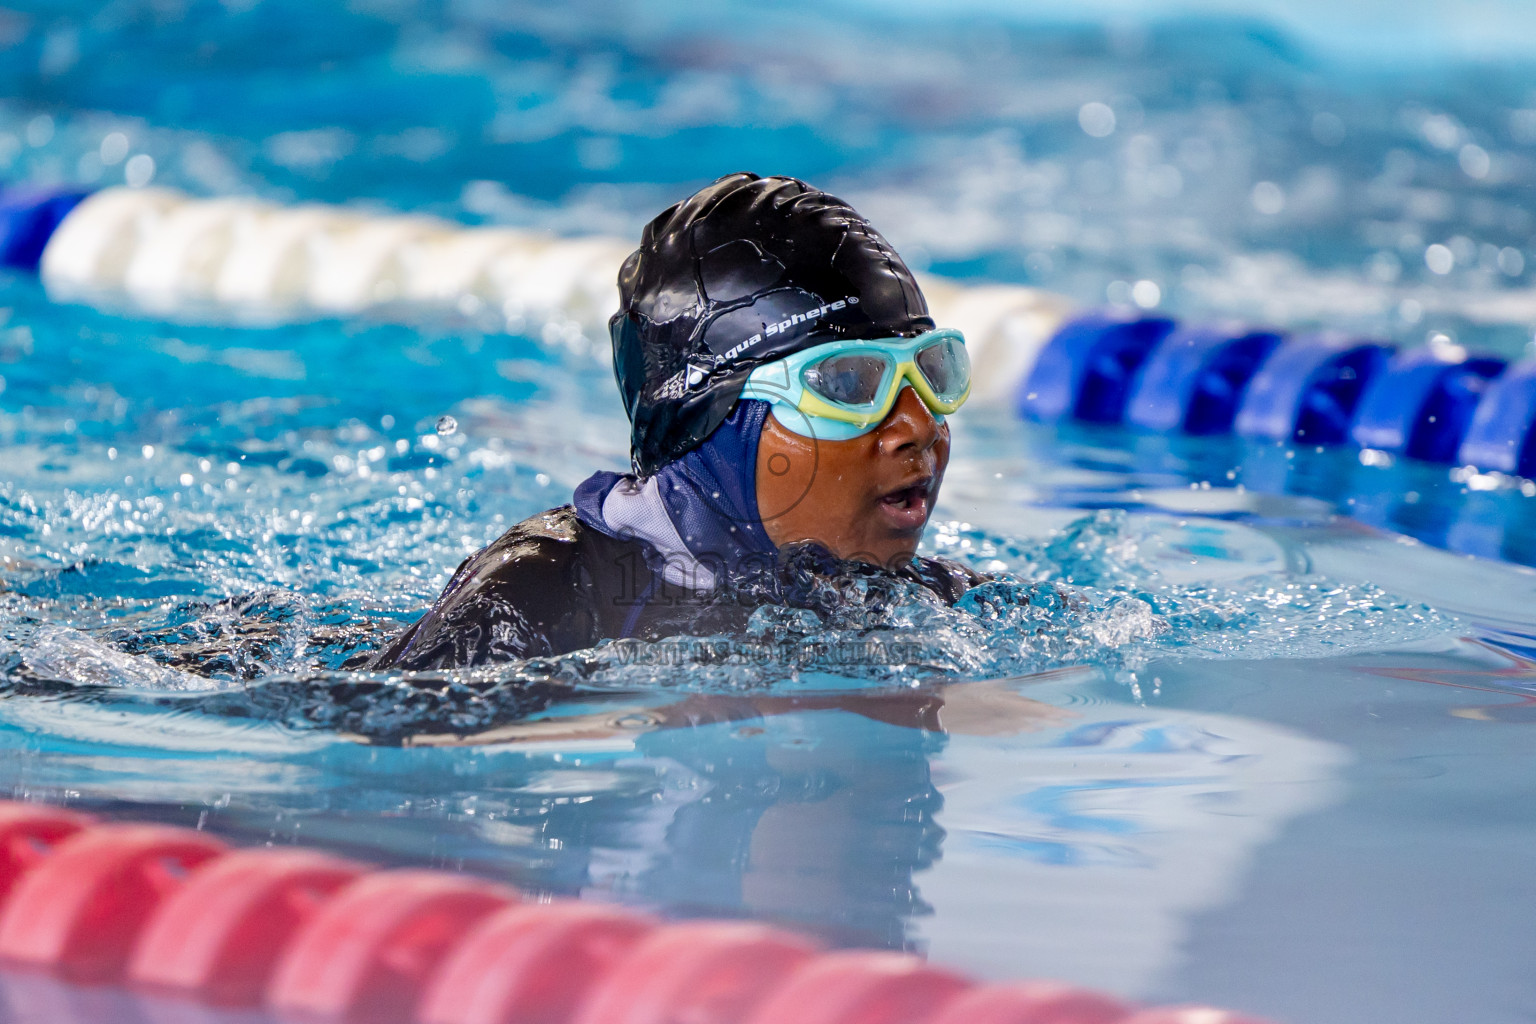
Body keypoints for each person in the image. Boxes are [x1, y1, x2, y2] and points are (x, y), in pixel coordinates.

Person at [367, 171, 984, 671]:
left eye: (931, 370)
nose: (917, 425)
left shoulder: (925, 602)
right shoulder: (543, 597)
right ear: (713, 420)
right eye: (849, 384)